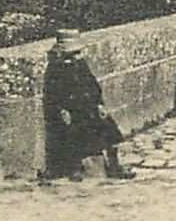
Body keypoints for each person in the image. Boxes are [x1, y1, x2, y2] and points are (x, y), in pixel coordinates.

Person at [43, 30, 134, 180]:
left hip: (89, 106)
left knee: (110, 130)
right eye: (71, 52)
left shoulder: (81, 64)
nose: (75, 55)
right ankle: (74, 168)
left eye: (76, 51)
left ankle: (114, 165)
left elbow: (93, 85)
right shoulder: (55, 69)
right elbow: (52, 93)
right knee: (72, 134)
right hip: (72, 110)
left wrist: (100, 105)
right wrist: (61, 110)